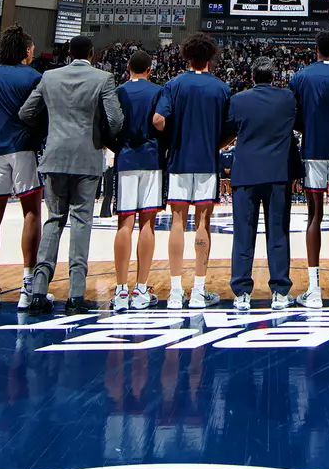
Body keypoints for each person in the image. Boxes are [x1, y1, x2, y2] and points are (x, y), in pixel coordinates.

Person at [18, 35, 123, 314]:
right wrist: (101, 137)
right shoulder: (103, 78)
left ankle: (39, 292)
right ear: (91, 53)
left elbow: (26, 112)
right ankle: (76, 294)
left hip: (54, 156)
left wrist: (51, 130)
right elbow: (116, 120)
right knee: (81, 222)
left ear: (68, 53)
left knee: (53, 220)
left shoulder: (49, 77)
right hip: (87, 158)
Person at [153, 33, 231, 309]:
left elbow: (158, 120)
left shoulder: (173, 84)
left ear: (187, 56)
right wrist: (215, 144)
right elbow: (232, 128)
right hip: (207, 162)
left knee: (176, 221)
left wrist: (173, 139)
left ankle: (175, 291)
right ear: (211, 57)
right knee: (202, 223)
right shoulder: (221, 88)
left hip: (179, 160)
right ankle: (198, 290)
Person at [0, 27, 43, 313]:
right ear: (27, 51)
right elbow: (41, 116)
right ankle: (28, 283)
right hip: (25, 149)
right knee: (31, 212)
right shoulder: (34, 77)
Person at [224, 58, 297, 311]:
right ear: (273, 77)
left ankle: (242, 293)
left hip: (245, 174)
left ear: (252, 77)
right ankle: (279, 292)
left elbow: (228, 132)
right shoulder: (287, 98)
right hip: (278, 174)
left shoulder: (238, 99)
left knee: (244, 234)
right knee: (278, 233)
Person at [289, 31, 329, 308]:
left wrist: (310, 129)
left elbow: (294, 116)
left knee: (313, 216)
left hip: (313, 150)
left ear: (315, 49)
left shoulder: (300, 77)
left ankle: (314, 289)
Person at [111, 50, 163, 312]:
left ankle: (121, 290)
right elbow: (162, 125)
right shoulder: (157, 91)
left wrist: (117, 147)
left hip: (126, 159)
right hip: (151, 159)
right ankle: (141, 288)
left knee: (125, 223)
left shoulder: (118, 92)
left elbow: (110, 125)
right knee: (147, 223)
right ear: (150, 69)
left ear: (127, 67)